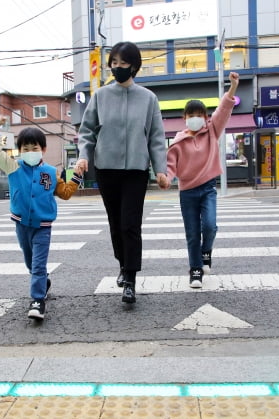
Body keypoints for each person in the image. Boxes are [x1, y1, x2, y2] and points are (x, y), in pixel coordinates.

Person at [75, 41, 168, 304]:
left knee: (130, 224)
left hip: (136, 171)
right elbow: (87, 132)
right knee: (115, 224)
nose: (117, 68)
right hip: (106, 169)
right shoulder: (101, 96)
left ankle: (130, 278)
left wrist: (160, 170)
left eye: (122, 63)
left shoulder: (148, 99)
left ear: (134, 66)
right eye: (113, 63)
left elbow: (156, 138)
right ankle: (122, 263)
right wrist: (84, 157)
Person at [0, 117, 83, 320]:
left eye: (35, 147)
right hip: (22, 224)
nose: (30, 152)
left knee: (39, 265)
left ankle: (38, 300)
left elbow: (65, 193)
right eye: (26, 148)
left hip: (43, 226)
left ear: (43, 149)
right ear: (20, 150)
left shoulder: (50, 172)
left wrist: (76, 177)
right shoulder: (14, 167)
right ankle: (44, 282)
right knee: (30, 263)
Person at [162, 72, 240, 288]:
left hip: (207, 188)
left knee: (210, 226)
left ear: (206, 117)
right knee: (192, 233)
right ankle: (195, 270)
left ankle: (207, 251)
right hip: (187, 192)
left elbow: (224, 110)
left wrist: (232, 87)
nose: (195, 118)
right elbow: (170, 167)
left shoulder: (212, 131)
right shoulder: (177, 142)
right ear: (184, 118)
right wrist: (166, 179)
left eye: (200, 114)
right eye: (191, 114)